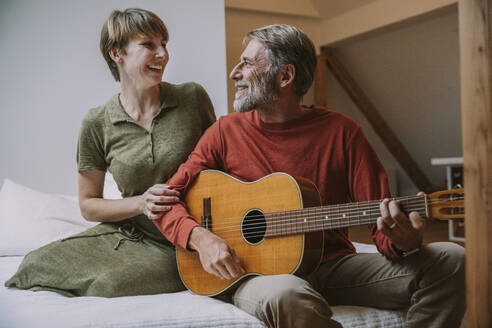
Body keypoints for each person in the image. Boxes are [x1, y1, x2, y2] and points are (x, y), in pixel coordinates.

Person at [152, 24, 465, 327]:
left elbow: (382, 228)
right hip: (257, 275)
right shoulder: (224, 131)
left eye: (247, 64)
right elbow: (166, 200)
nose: (235, 73)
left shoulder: (343, 133)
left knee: (452, 258)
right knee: (288, 293)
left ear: (285, 75)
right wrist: (200, 237)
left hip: (334, 266)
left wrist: (403, 241)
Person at [5, 8, 215, 297]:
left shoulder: (192, 97)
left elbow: (220, 165)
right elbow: (89, 205)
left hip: (185, 240)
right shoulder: (97, 122)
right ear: (117, 53)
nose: (163, 54)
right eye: (148, 45)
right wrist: (141, 203)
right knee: (34, 263)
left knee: (110, 284)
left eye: (163, 44)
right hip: (133, 235)